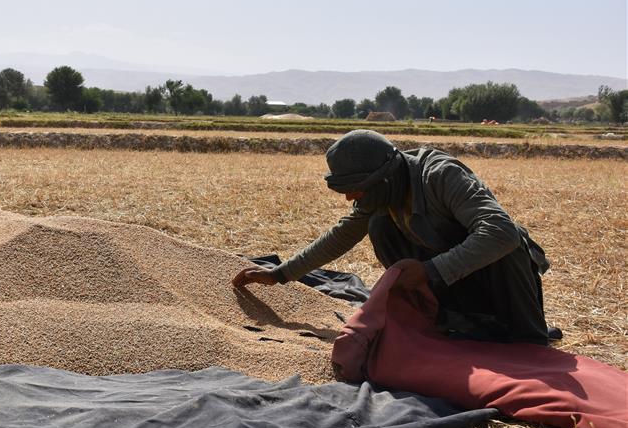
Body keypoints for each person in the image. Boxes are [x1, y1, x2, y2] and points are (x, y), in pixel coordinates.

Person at [232, 129, 554, 345]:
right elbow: (342, 234)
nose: (350, 199)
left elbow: (501, 231)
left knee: (506, 248)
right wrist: (281, 274)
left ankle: (519, 330)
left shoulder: (440, 176)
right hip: (455, 282)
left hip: (499, 278)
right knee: (380, 226)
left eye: (356, 190)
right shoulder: (383, 195)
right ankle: (452, 318)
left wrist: (430, 272)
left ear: (383, 178)